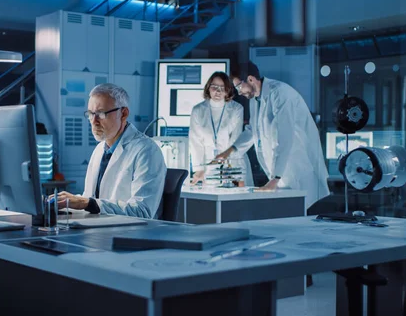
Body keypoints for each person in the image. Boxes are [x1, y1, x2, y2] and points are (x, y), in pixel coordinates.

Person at [215, 61, 330, 208]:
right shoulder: (255, 99)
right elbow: (252, 130)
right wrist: (229, 151)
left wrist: (274, 179)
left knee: (301, 218)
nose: (239, 92)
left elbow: (285, 137)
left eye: (238, 87)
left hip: (297, 169)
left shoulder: (280, 94)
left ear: (250, 79)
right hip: (281, 174)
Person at [51, 83, 167, 218]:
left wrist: (86, 203)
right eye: (90, 114)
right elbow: (91, 199)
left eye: (100, 114)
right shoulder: (100, 149)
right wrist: (64, 202)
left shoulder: (147, 151)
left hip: (129, 234)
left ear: (123, 114)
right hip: (100, 228)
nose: (94, 121)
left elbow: (142, 211)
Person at [188, 71, 254, 186]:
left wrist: (229, 168)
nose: (218, 91)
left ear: (227, 90)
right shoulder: (198, 110)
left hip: (233, 163)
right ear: (208, 88)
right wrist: (199, 169)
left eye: (222, 88)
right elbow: (195, 142)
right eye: (214, 87)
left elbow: (235, 139)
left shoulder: (236, 109)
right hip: (208, 166)